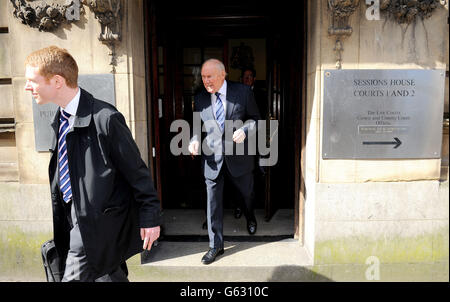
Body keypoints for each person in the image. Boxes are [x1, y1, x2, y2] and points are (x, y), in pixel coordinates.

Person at [24, 46, 161, 282]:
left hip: (98, 226)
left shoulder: (106, 119)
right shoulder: (61, 118)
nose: (27, 87)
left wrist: (150, 217)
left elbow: (137, 173)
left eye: (32, 81)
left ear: (57, 81)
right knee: (109, 276)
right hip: (73, 222)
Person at [189, 59, 261, 264]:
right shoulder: (200, 97)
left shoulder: (244, 92)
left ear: (222, 75)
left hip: (240, 156)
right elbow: (196, 126)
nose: (205, 81)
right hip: (212, 159)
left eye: (209, 76)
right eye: (203, 77)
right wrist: (194, 140)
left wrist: (245, 130)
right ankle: (215, 246)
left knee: (247, 194)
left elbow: (256, 118)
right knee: (213, 203)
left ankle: (250, 215)